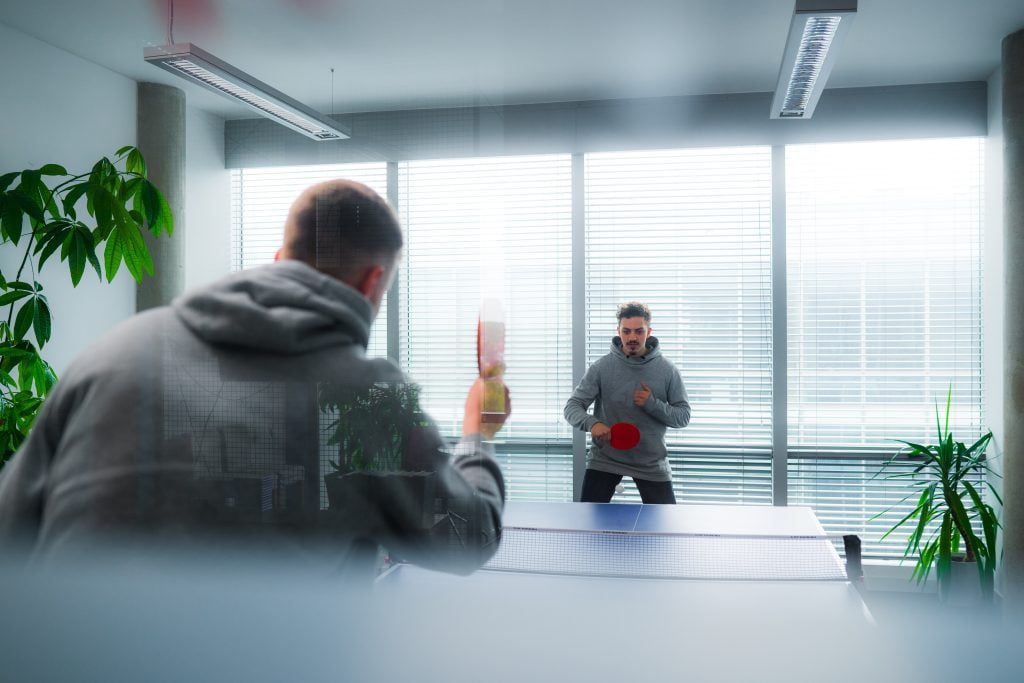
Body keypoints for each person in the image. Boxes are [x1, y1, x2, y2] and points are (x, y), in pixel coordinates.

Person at [0, 180, 507, 575]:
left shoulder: (112, 351)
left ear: (281, 259)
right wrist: (477, 433)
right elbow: (468, 538)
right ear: (373, 281)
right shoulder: (365, 401)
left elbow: (11, 527)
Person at [564, 302, 690, 504]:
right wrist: (592, 423)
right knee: (587, 527)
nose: (632, 337)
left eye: (639, 331)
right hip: (605, 460)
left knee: (664, 530)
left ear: (648, 332)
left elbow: (683, 417)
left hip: (651, 463)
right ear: (618, 331)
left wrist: (652, 403)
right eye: (627, 331)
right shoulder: (601, 367)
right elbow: (572, 407)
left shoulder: (667, 370)